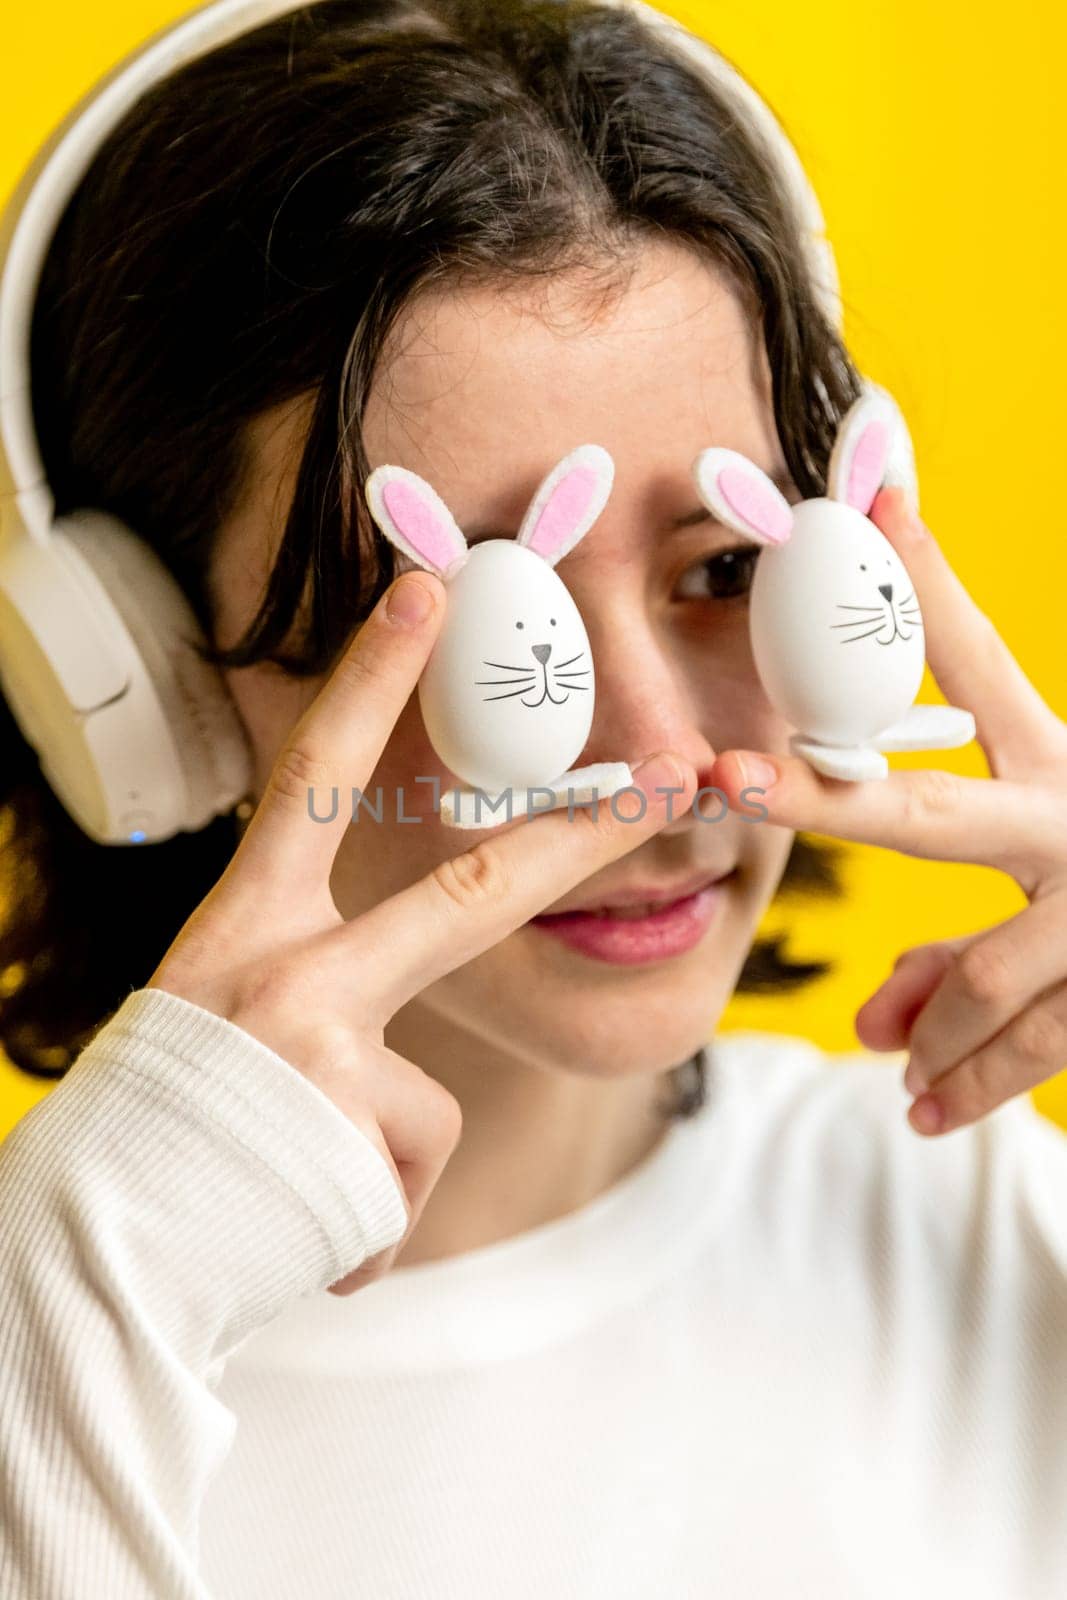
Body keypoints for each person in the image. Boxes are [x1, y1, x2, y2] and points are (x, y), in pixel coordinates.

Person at [1, 2, 1066, 1597]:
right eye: (478, 629)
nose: (650, 763)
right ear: (152, 695)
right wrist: (74, 1291)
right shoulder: (55, 1323)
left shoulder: (996, 1225)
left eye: (723, 571)